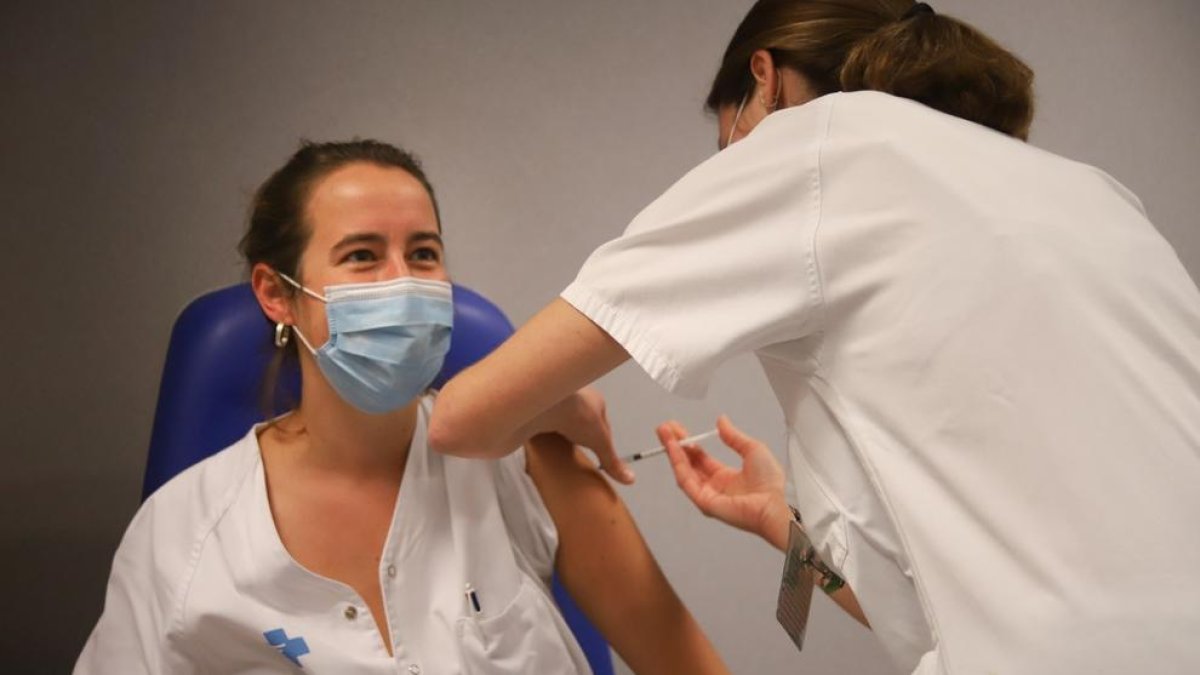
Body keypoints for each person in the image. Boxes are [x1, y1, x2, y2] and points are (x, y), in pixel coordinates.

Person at [428, 1, 1200, 673]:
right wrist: (781, 523)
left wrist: (565, 410)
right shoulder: (1090, 191)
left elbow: (464, 419)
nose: (731, 162)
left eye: (725, 139)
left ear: (764, 78)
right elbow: (949, 606)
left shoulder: (811, 145)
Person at [74, 140, 729, 674]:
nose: (403, 282)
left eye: (423, 253)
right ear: (277, 293)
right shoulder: (180, 532)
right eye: (362, 256)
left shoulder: (528, 462)